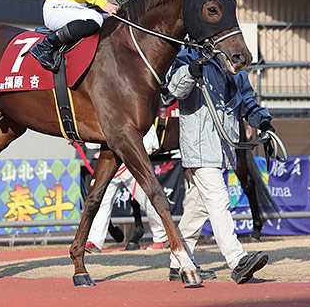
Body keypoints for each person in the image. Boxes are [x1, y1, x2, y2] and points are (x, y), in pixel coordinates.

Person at [166, 48, 271, 284]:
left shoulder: (232, 61)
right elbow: (172, 91)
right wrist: (189, 73)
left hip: (224, 148)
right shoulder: (188, 57)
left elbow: (247, 101)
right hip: (199, 146)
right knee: (218, 199)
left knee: (198, 207)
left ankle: (178, 262)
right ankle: (237, 260)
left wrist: (264, 121)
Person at [85, 125, 168, 253]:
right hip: (108, 159)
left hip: (132, 160)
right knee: (101, 201)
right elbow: (93, 140)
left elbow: (150, 141)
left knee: (148, 198)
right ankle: (95, 241)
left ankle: (162, 236)